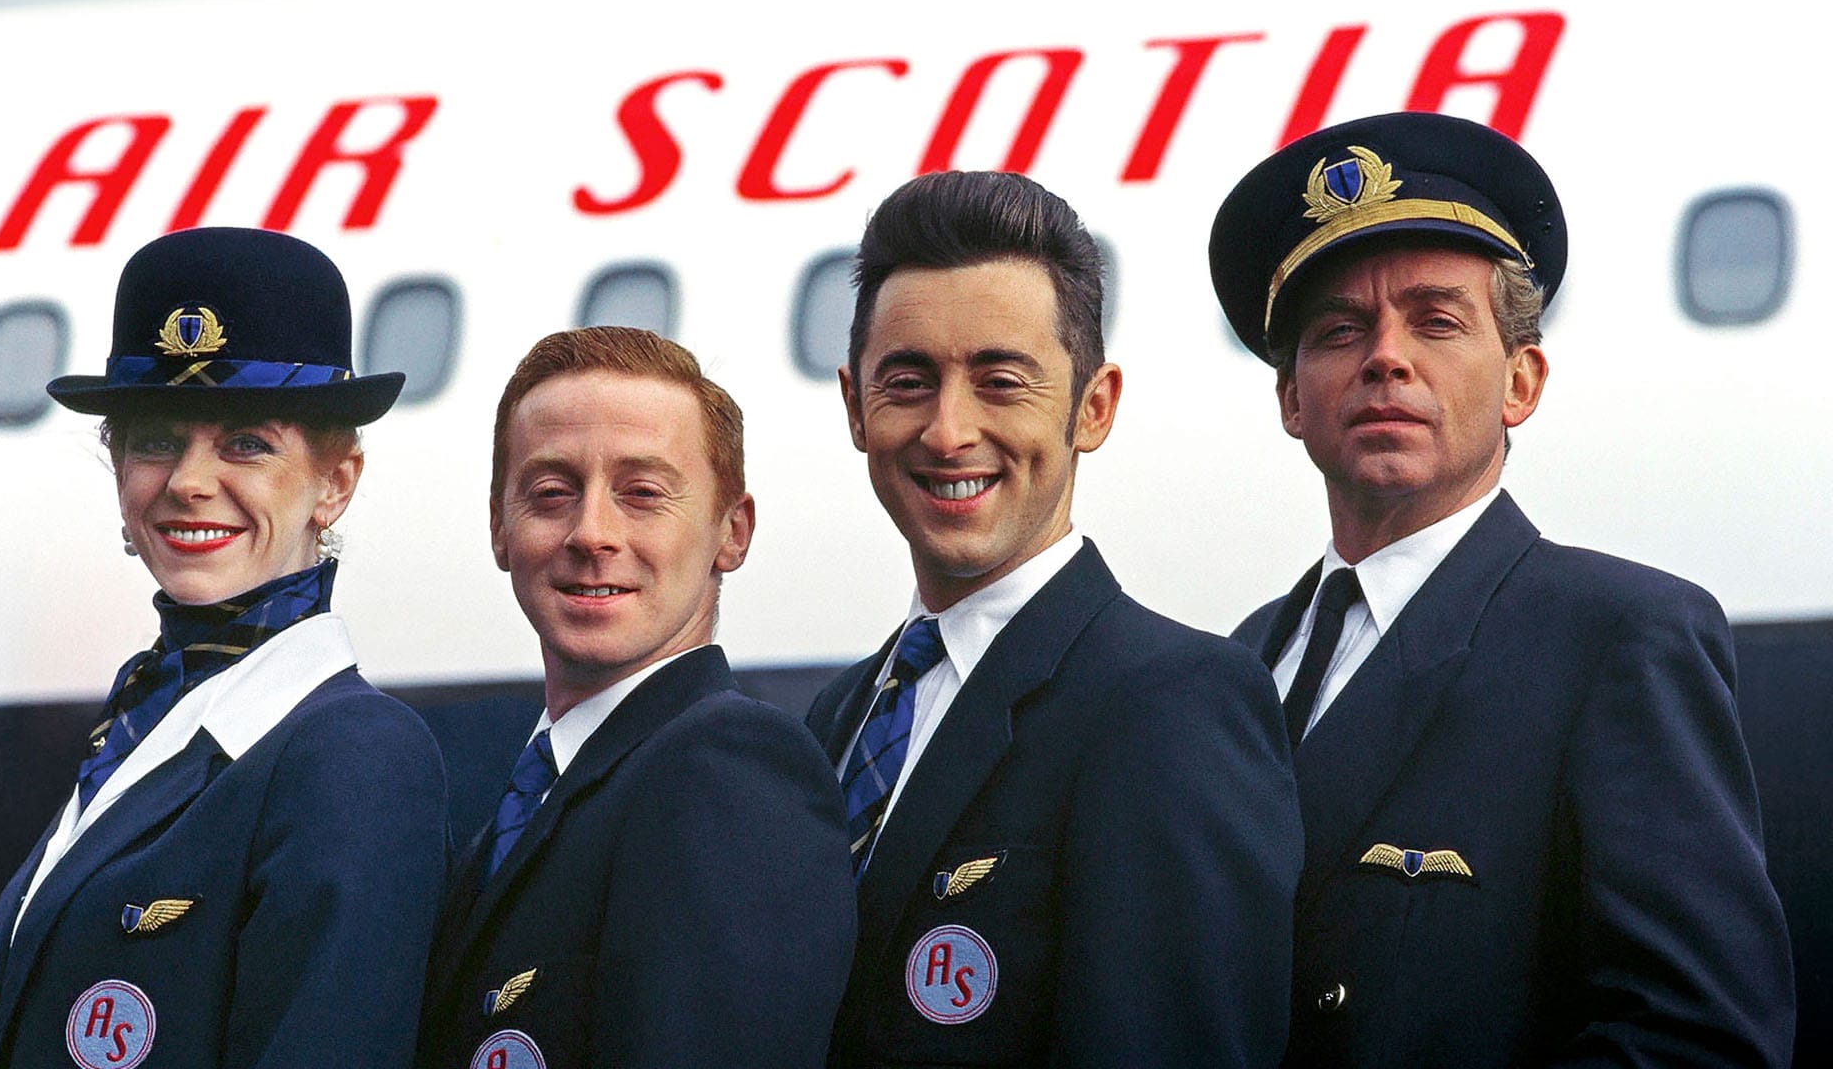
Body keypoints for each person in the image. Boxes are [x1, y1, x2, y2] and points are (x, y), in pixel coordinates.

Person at [1210, 111, 1795, 1068]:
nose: (1385, 357)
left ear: (1522, 381)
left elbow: (1700, 1039)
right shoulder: (1243, 662)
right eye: (1338, 332)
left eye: (1437, 321)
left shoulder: (1619, 637)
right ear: (1290, 399)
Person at [811, 169, 1302, 1069]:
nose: (949, 431)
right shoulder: (838, 720)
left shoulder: (1170, 704)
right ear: (855, 406)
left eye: (1001, 382)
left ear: (1094, 406)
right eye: (908, 382)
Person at [0, 225, 449, 1069]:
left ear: (334, 483)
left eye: (246, 443)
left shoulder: (354, 755)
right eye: (155, 438)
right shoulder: (139, 728)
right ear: (117, 467)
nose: (189, 480)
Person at [418, 327, 855, 1069]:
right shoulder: (534, 795)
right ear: (499, 526)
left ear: (732, 531)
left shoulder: (728, 773)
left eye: (643, 494)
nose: (592, 532)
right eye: (551, 494)